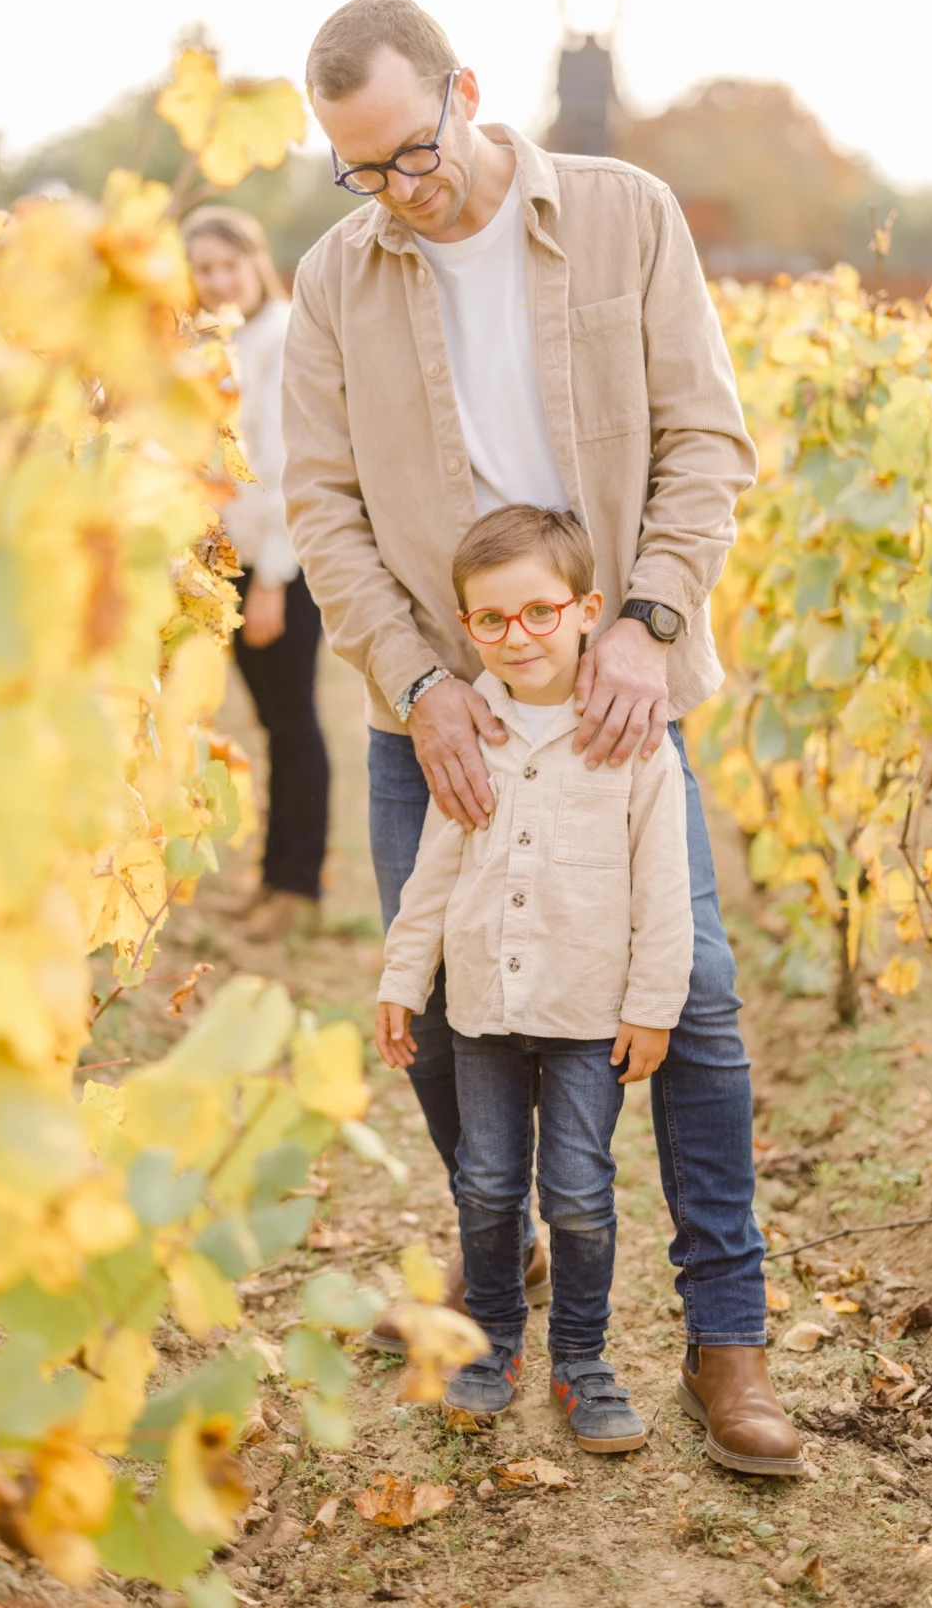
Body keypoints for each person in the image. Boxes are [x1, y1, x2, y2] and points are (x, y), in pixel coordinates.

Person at [282, 0, 802, 1474]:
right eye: (360, 168)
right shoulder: (334, 280)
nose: (397, 188)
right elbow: (323, 507)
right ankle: (497, 1247)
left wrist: (646, 622)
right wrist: (418, 680)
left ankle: (726, 1337)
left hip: (611, 691)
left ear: (464, 89)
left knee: (694, 1003)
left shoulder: (626, 216)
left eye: (412, 150)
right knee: (449, 1010)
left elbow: (706, 440)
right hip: (439, 712)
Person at [377, 506, 693, 1452]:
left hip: (589, 1012)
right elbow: (433, 874)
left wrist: (653, 1007)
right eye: (492, 620)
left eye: (540, 613)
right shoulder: (471, 733)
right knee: (484, 1184)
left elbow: (663, 887)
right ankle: (493, 1343)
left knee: (581, 1191)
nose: (517, 637)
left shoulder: (634, 740)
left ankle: (582, 1360)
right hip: (482, 1010)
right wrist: (402, 980)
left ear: (587, 610)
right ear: (466, 627)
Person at [183, 206, 329, 941]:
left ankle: (297, 886)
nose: (217, 280)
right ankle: (274, 877)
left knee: (294, 719)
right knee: (273, 720)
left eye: (228, 264)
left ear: (256, 260)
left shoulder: (283, 335)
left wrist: (272, 576)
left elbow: (289, 466)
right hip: (233, 559)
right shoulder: (221, 343)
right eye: (203, 269)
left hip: (281, 561)